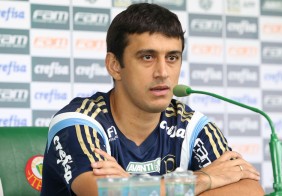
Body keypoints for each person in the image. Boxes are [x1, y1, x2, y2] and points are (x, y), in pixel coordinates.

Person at [41, 3, 264, 196]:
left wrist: (131, 185)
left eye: (172, 57)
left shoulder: (192, 125)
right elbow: (104, 192)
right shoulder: (78, 122)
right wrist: (202, 180)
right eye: (147, 57)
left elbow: (251, 191)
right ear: (114, 65)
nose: (163, 72)